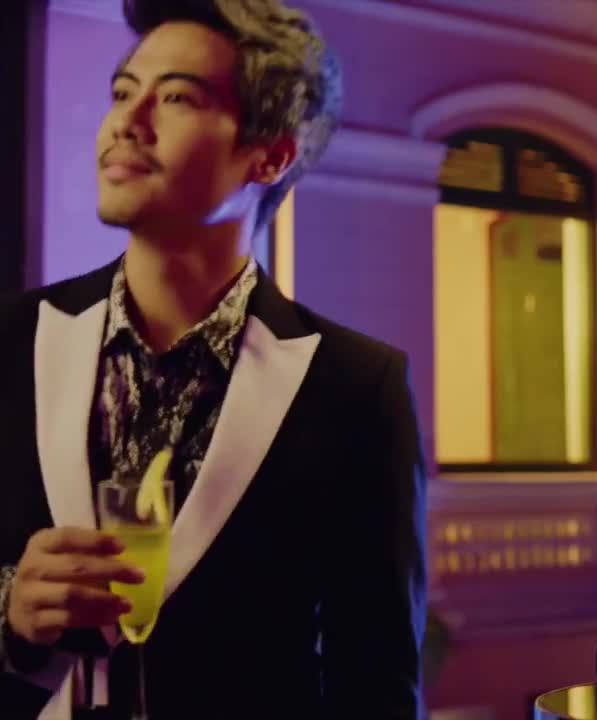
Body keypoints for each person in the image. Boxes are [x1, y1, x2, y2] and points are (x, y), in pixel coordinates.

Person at [0, 1, 427, 717]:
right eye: (123, 91)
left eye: (176, 97)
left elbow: (377, 683)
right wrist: (10, 612)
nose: (128, 122)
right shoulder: (12, 339)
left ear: (271, 155)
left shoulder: (358, 387)